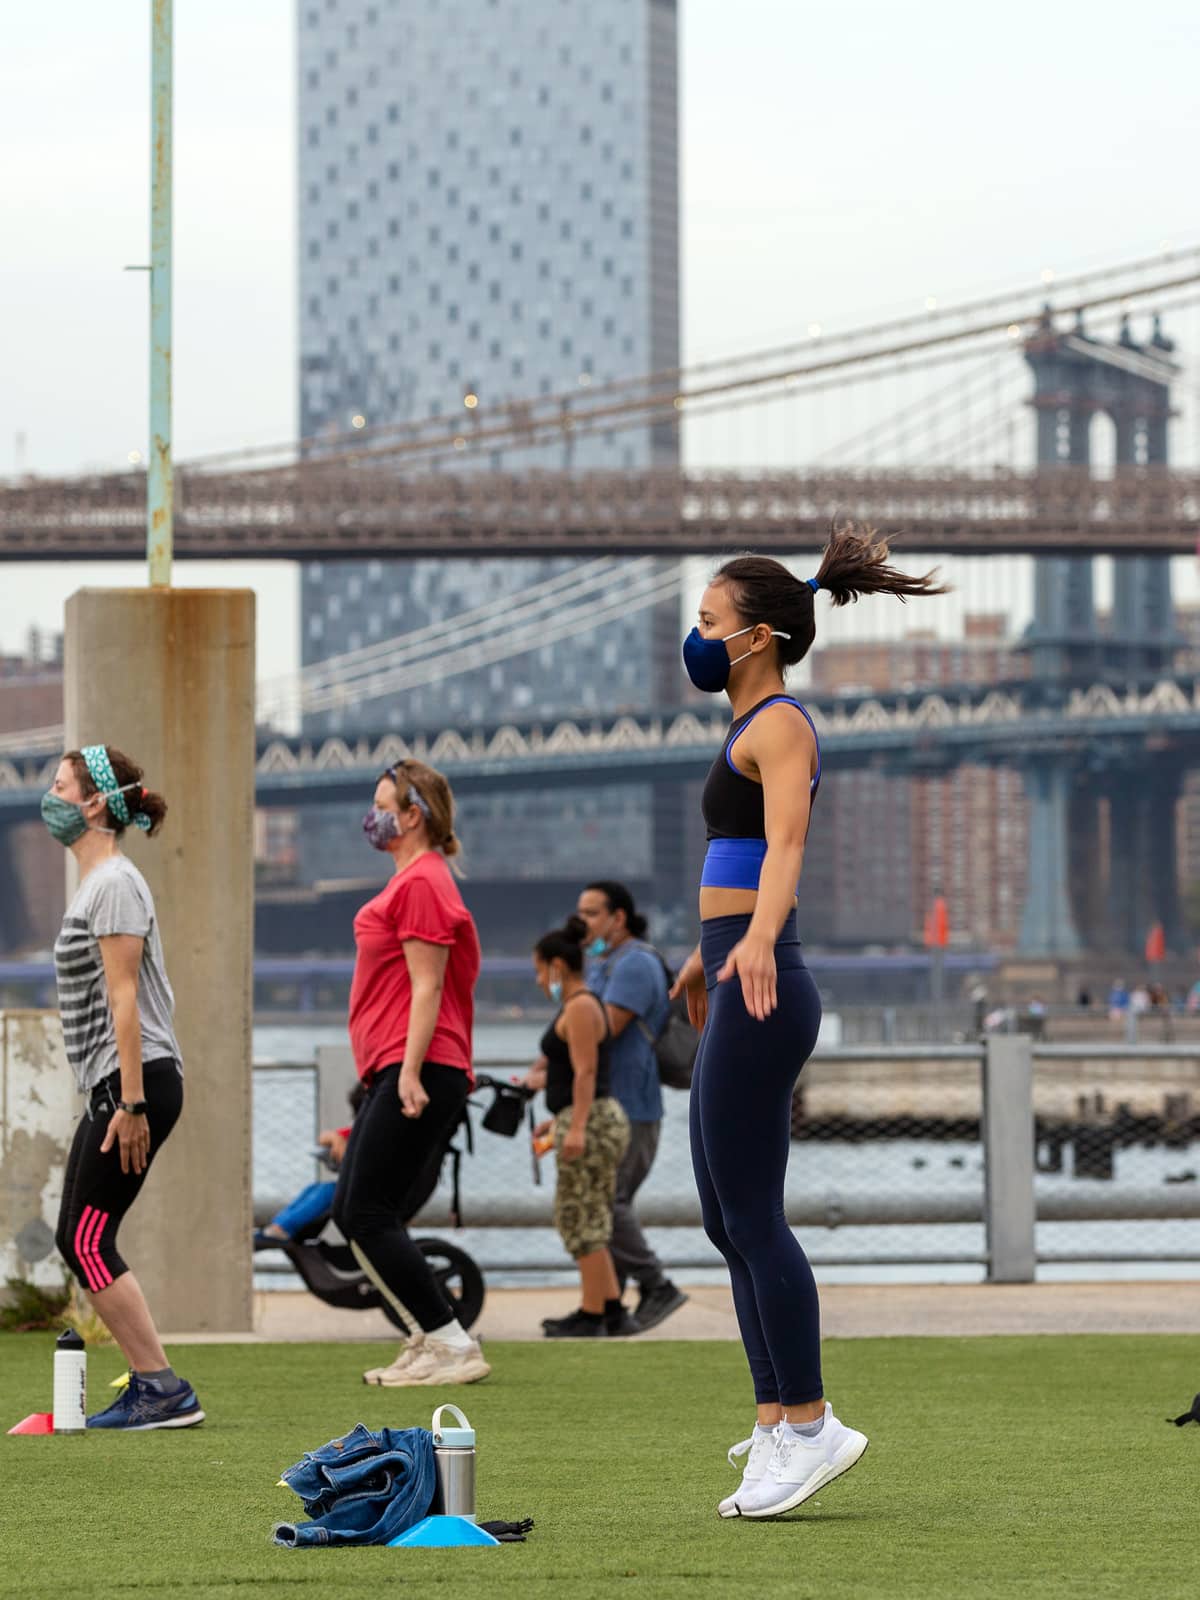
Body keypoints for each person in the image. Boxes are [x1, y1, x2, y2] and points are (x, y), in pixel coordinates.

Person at [671, 528, 946, 1519]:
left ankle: (815, 1421)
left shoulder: (782, 723)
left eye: (706, 622)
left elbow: (786, 842)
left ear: (753, 638)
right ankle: (777, 1422)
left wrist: (754, 939)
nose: (694, 639)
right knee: (722, 1217)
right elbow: (739, 851)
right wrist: (706, 953)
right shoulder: (746, 724)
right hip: (737, 970)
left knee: (753, 1216)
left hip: (766, 979)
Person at [47, 744, 204, 1430]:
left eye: (59, 785)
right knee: (78, 1235)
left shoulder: (114, 884)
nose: (48, 796)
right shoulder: (99, 884)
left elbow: (125, 1000)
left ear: (93, 804)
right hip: (115, 1084)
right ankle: (156, 1383)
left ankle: (161, 1387)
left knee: (86, 1239)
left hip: (132, 1083)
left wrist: (132, 1102)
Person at [331, 759, 488, 1387]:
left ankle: (451, 1342)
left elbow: (429, 986)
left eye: (382, 804)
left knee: (364, 1211)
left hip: (417, 1063)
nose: (372, 817)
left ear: (412, 814)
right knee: (359, 1209)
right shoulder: (415, 880)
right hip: (400, 1063)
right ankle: (430, 1336)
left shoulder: (424, 881)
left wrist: (410, 1073)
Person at [575, 879, 688, 1331]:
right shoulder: (604, 963)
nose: (581, 923)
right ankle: (607, 1309)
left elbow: (604, 1027)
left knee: (608, 1201)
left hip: (633, 1105)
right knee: (606, 1205)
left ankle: (657, 1283)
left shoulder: (635, 963)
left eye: (590, 914)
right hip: (614, 1103)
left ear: (618, 917)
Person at [530, 915, 635, 1337]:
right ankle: (610, 1307)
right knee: (591, 1215)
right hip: (587, 1117)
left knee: (578, 1217)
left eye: (540, 970)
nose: (539, 980)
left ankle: (592, 1313)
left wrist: (574, 1129)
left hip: (590, 1121)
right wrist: (559, 1120)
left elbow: (586, 1073)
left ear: (557, 966)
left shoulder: (580, 1007)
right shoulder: (583, 1005)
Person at [253, 1082, 366, 1248]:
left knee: (328, 1192)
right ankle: (280, 1226)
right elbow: (325, 1137)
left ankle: (282, 1228)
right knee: (315, 1188)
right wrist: (338, 1141)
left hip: (370, 1196)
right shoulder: (358, 1133)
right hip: (357, 1191)